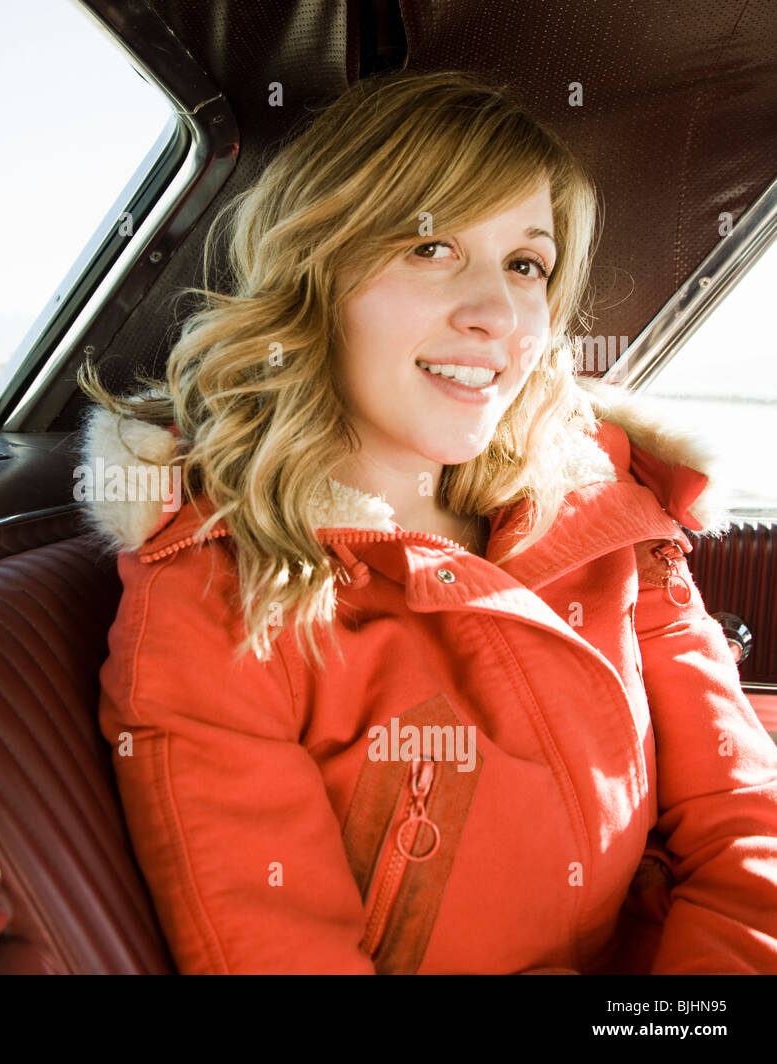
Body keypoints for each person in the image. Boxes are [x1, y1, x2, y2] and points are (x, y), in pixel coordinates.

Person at [74, 69, 777, 974]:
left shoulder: (606, 505)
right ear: (317, 275)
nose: (495, 315)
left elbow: (745, 826)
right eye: (431, 247)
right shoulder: (216, 601)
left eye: (527, 265)